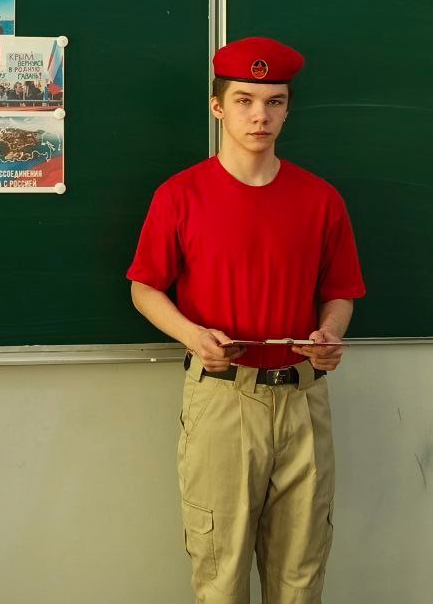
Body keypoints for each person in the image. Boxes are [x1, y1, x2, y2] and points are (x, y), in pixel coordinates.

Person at [126, 38, 365, 604]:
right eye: (244, 100)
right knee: (221, 575)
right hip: (222, 399)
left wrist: (331, 333)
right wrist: (193, 336)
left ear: (287, 109)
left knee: (301, 575)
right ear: (218, 107)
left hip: (303, 399)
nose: (260, 116)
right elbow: (144, 287)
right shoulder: (180, 195)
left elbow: (340, 293)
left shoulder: (320, 199)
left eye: (274, 102)